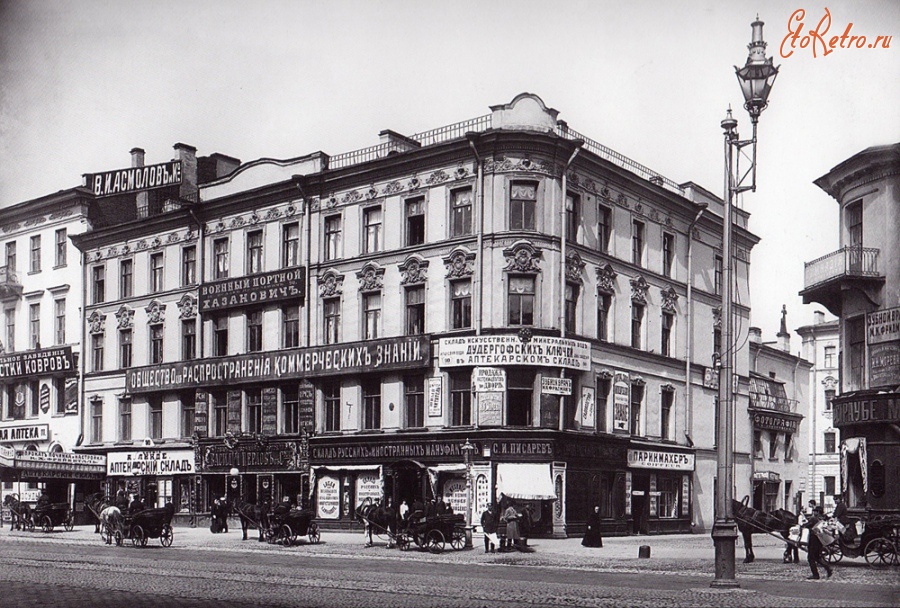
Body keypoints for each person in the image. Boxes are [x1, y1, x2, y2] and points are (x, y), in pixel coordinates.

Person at [803, 506, 833, 580]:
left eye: (815, 511)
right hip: (820, 540)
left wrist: (802, 525)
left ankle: (815, 574)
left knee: (810, 558)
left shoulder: (814, 519)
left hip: (813, 540)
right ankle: (828, 568)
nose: (814, 512)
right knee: (817, 557)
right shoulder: (822, 519)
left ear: (818, 512)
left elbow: (806, 525)